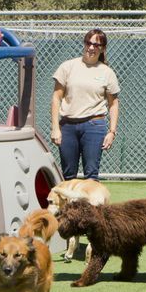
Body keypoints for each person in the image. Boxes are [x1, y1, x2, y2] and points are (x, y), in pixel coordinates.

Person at [49, 29, 120, 180]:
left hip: (94, 126)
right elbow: (56, 97)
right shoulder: (67, 67)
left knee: (91, 176)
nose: (92, 47)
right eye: (89, 43)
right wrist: (55, 128)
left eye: (97, 44)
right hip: (68, 127)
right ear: (84, 44)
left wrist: (112, 132)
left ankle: (92, 205)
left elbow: (113, 104)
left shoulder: (107, 72)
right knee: (68, 177)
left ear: (103, 48)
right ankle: (69, 205)